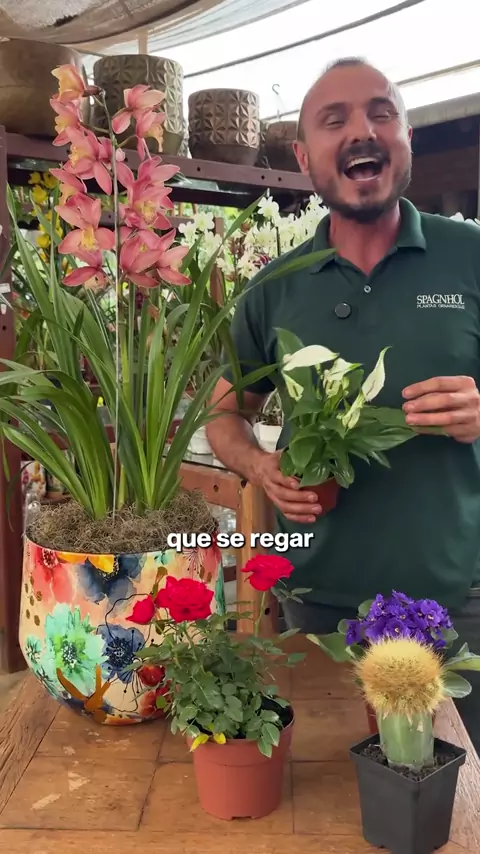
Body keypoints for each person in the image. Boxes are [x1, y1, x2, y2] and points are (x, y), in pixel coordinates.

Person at [205, 57, 480, 749]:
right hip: (321, 605)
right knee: (330, 787)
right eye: (335, 120)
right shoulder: (275, 288)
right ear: (304, 158)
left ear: (406, 138)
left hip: (461, 598)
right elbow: (224, 413)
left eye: (382, 113)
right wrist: (260, 467)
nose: (363, 131)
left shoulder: (469, 257)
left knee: (458, 787)